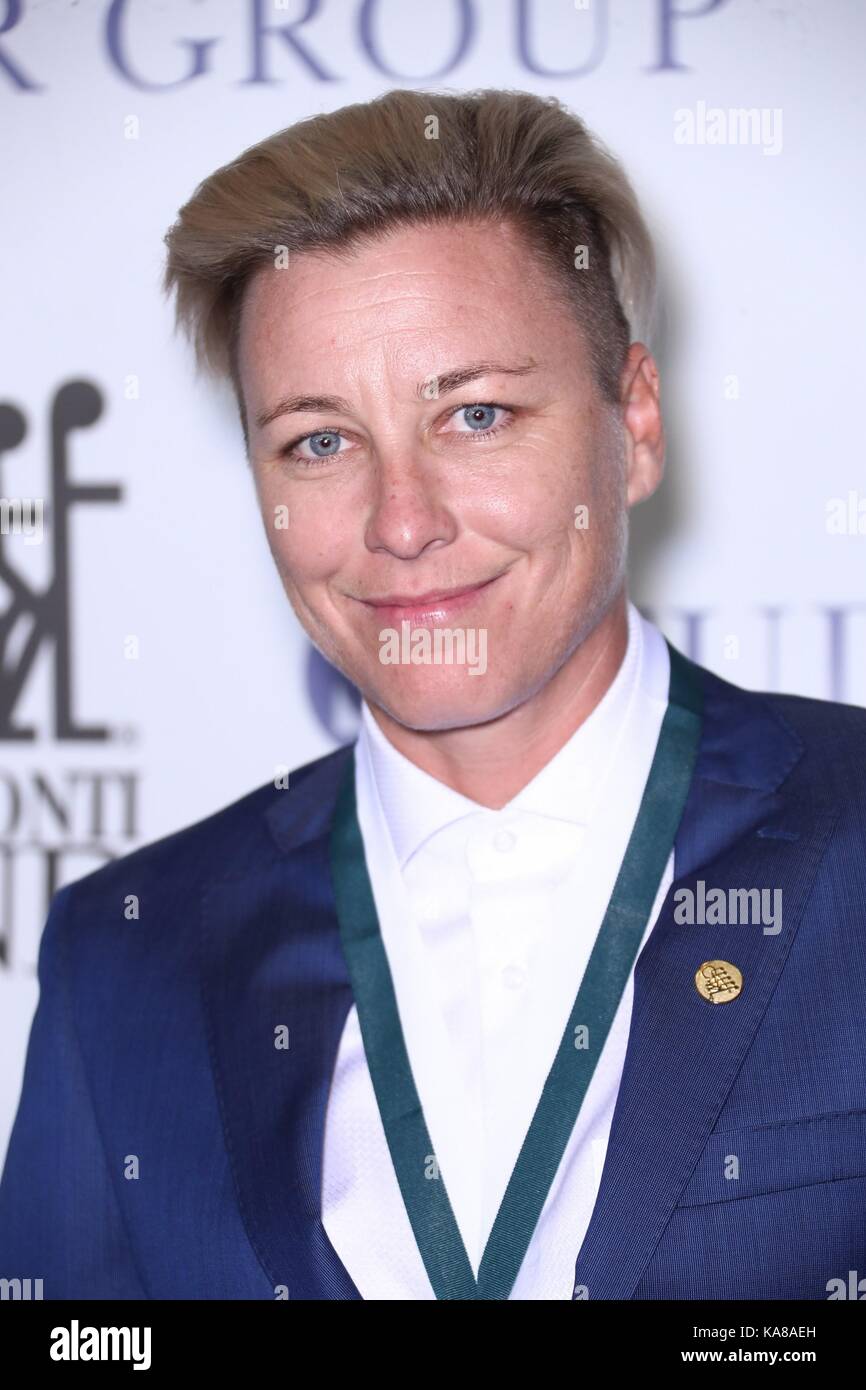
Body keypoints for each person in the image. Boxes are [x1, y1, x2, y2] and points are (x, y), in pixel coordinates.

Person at [1, 87, 864, 1301]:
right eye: (318, 441)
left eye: (474, 415)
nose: (401, 523)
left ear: (635, 421)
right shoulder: (124, 960)